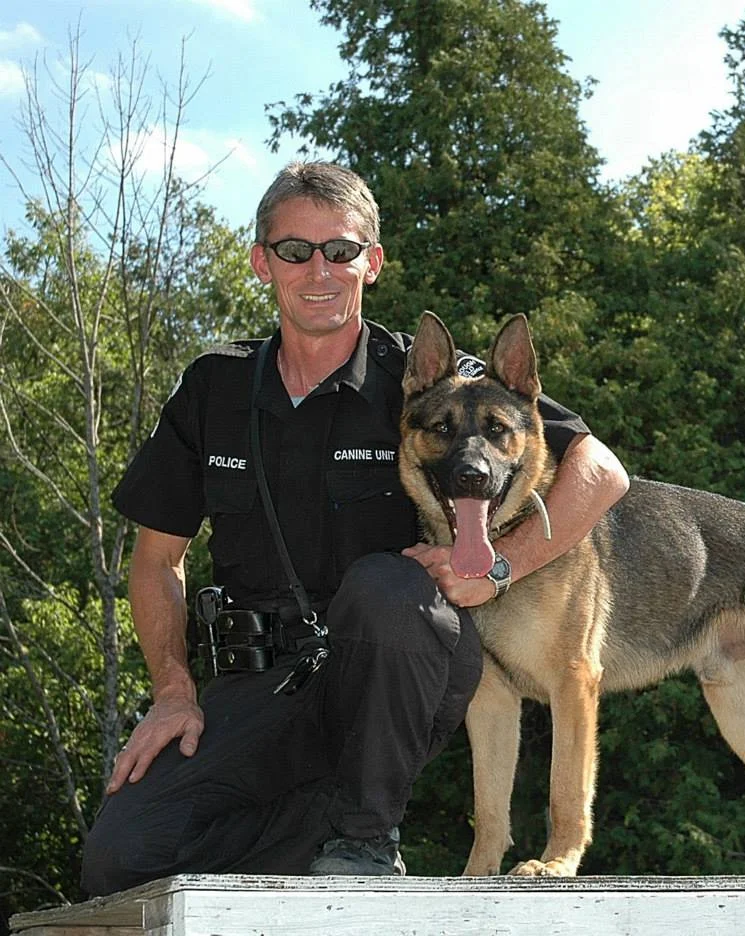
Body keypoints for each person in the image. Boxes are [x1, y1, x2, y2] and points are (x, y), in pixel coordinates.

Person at [80, 162, 630, 894]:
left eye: (339, 251)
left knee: (384, 585)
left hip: (397, 670)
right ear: (261, 261)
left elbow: (602, 472)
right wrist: (175, 691)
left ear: (371, 262)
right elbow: (156, 563)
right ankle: (323, 821)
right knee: (118, 859)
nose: (319, 270)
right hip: (259, 682)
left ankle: (366, 837)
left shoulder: (431, 378)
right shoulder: (214, 385)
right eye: (294, 250)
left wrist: (502, 566)